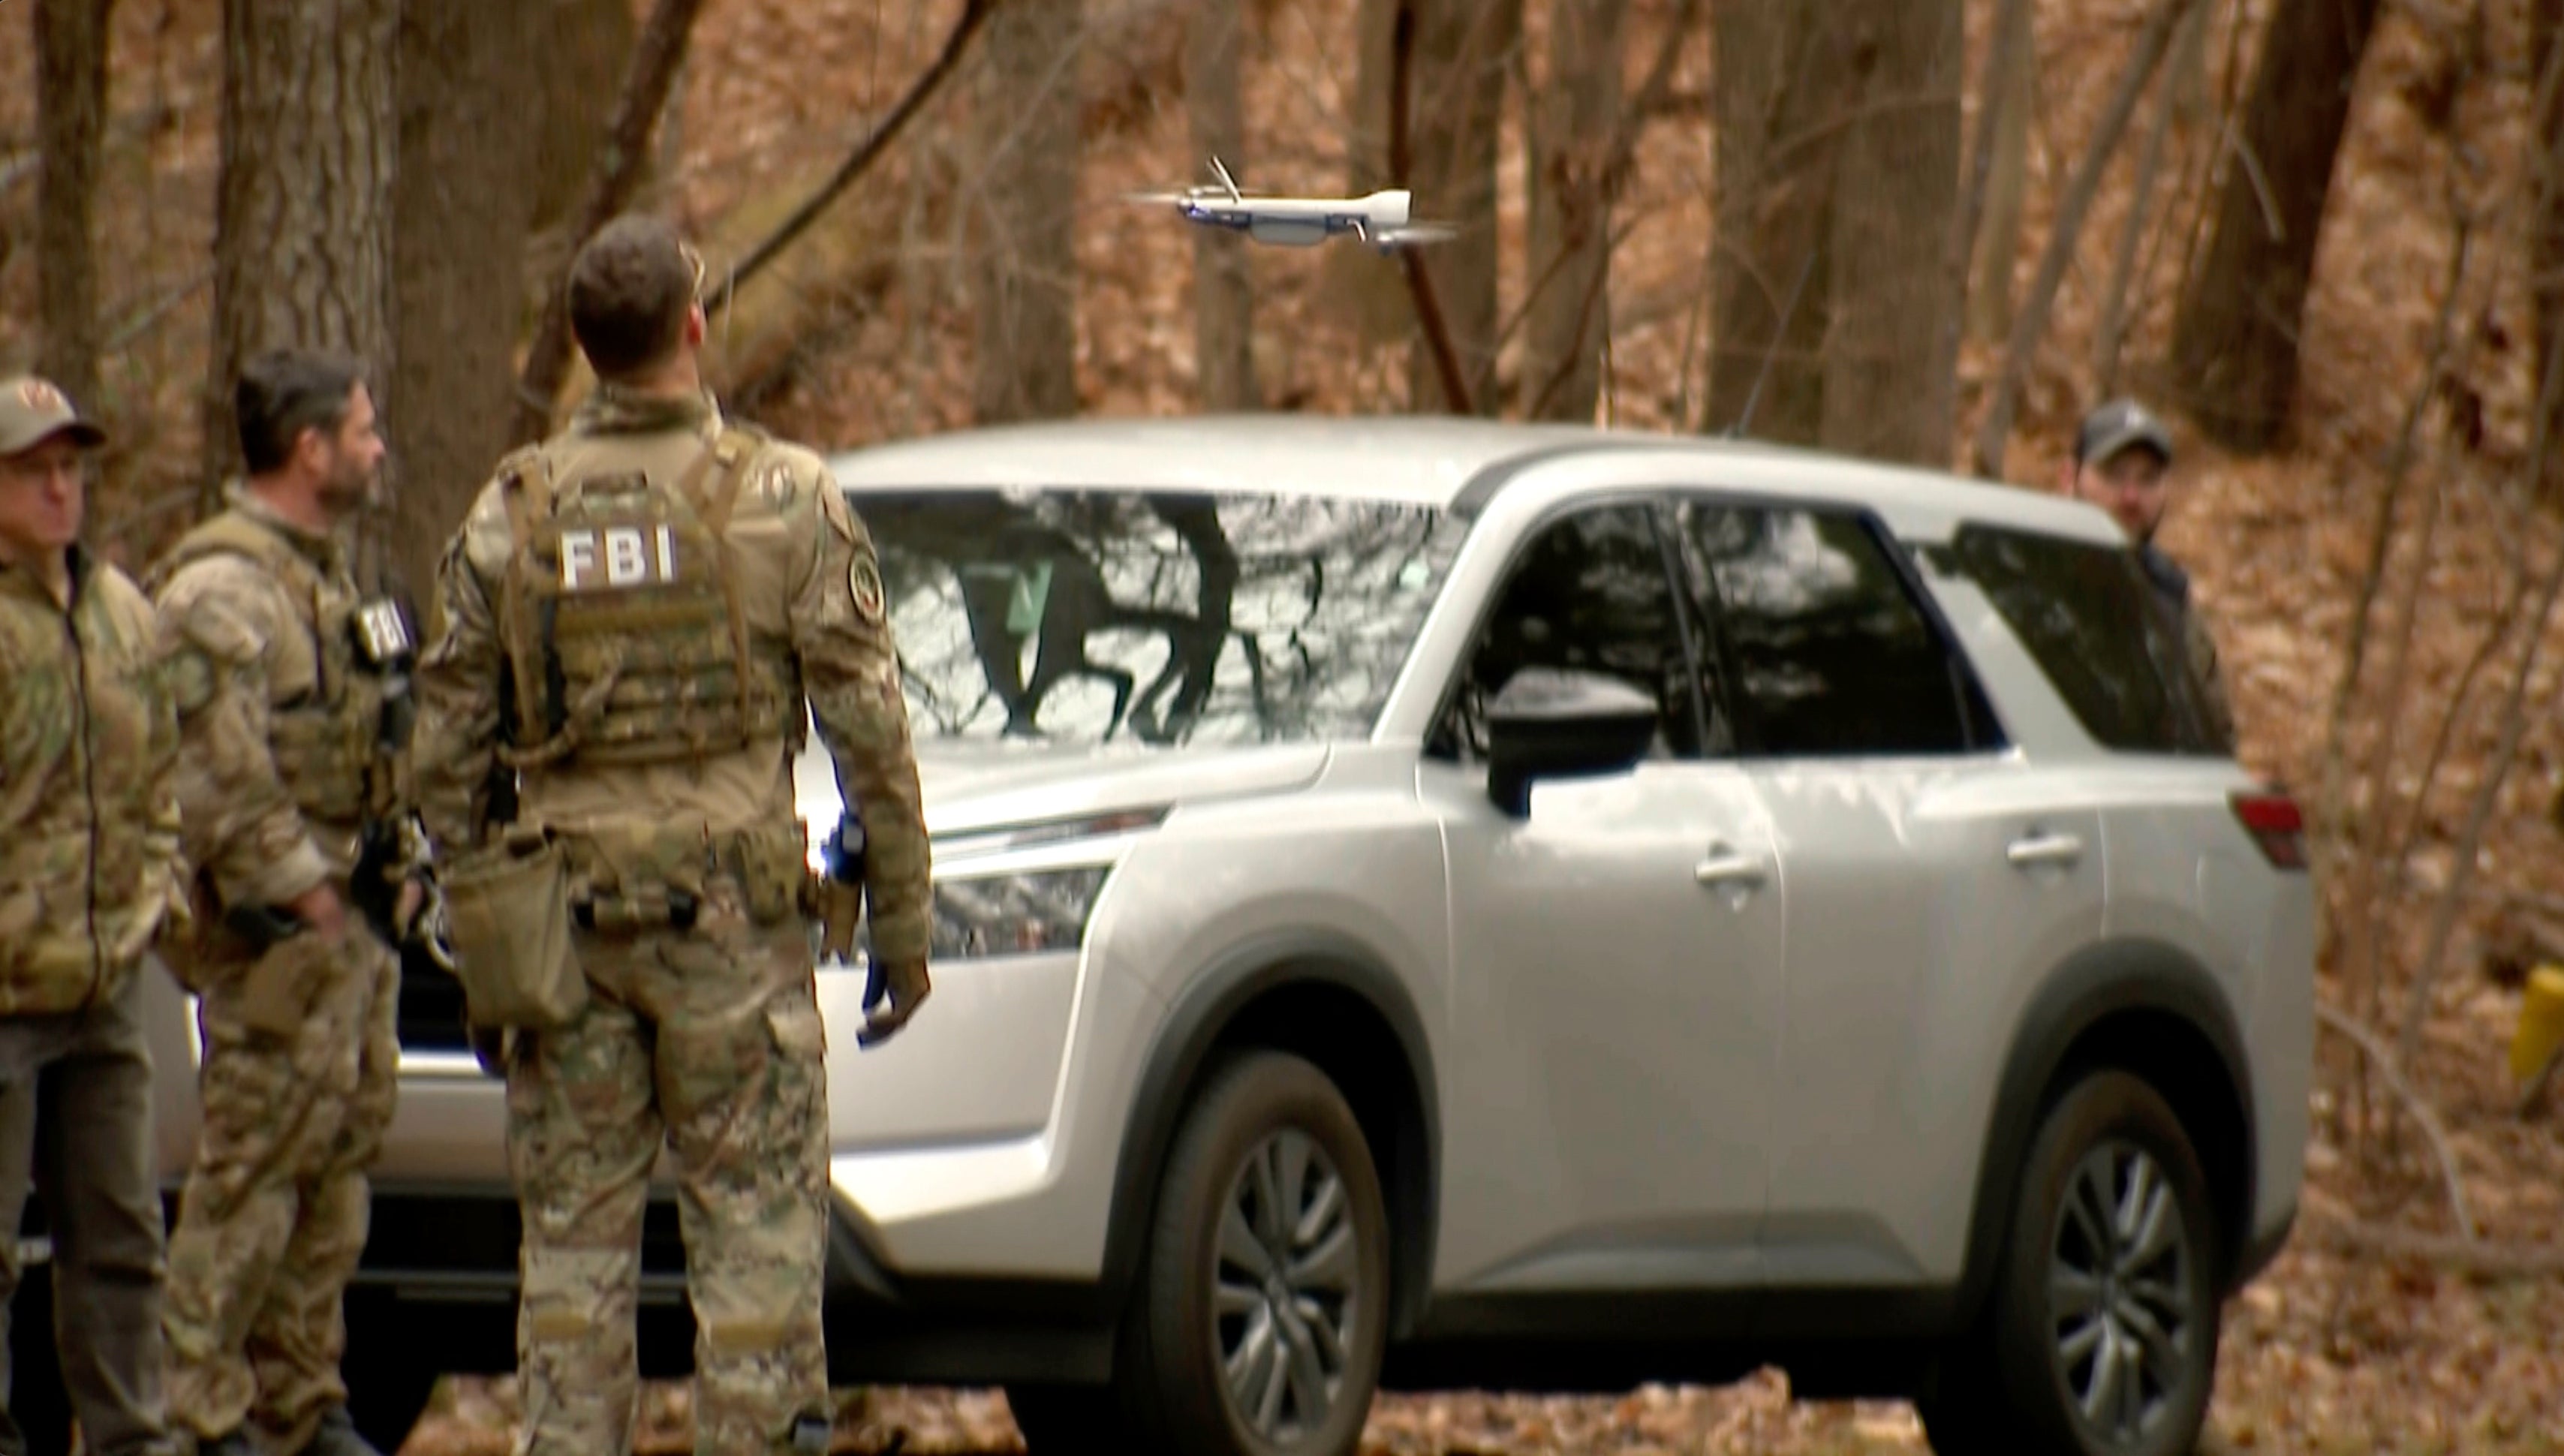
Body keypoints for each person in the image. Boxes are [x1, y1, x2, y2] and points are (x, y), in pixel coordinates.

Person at [408, 212, 934, 1455]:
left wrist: (483, 927)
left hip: (566, 939)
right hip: (733, 939)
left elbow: (443, 756)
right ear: (693, 328)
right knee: (754, 1261)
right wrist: (901, 929)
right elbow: (872, 737)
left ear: (586, 349)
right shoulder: (781, 499)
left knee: (572, 1271)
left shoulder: (514, 512)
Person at [149, 350, 417, 1456]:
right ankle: (201, 1415)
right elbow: (222, 783)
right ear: (310, 451)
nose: (376, 447)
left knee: (331, 1179)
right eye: (361, 430)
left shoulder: (321, 581)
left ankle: (304, 1403)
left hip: (350, 943)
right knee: (248, 1186)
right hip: (280, 952)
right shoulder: (218, 596)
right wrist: (309, 902)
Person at [0, 375, 187, 1456]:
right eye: (34, 471)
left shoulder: (123, 612)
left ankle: (133, 1439)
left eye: (71, 468)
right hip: (8, 991)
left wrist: (149, 895)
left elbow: (160, 774)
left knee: (120, 1238)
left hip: (108, 982)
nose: (60, 489)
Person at [2063, 396, 2237, 747]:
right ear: (2070, 478)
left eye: (2148, 479)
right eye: (2114, 475)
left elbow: (2216, 738)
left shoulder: (2171, 601)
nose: (2131, 497)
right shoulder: (2025, 575)